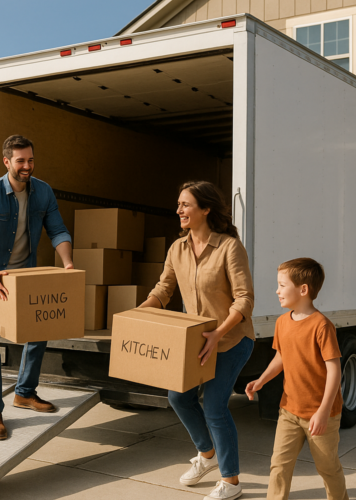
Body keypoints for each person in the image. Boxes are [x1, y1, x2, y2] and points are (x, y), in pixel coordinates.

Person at [139, 180, 255, 500]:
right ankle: (207, 455)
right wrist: (138, 313)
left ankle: (231, 483)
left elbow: (244, 300)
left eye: (186, 204)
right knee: (178, 397)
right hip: (195, 340)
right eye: (178, 204)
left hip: (231, 339)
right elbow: (163, 290)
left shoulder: (230, 247)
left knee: (215, 406)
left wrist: (218, 334)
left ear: (205, 209)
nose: (179, 210)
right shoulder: (177, 248)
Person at [0, 134, 73, 440]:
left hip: (25, 275)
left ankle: (25, 392)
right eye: (21, 161)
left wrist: (67, 265)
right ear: (7, 162)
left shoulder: (43, 192)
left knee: (38, 331)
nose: (27, 166)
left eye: (31, 160)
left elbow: (58, 229)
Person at [245, 258, 348, 500]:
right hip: (289, 411)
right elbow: (281, 357)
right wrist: (261, 380)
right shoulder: (282, 322)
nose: (277, 291)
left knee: (327, 467)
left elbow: (334, 370)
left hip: (321, 414)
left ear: (303, 290)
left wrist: (323, 412)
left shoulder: (322, 326)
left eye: (282, 285)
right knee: (279, 465)